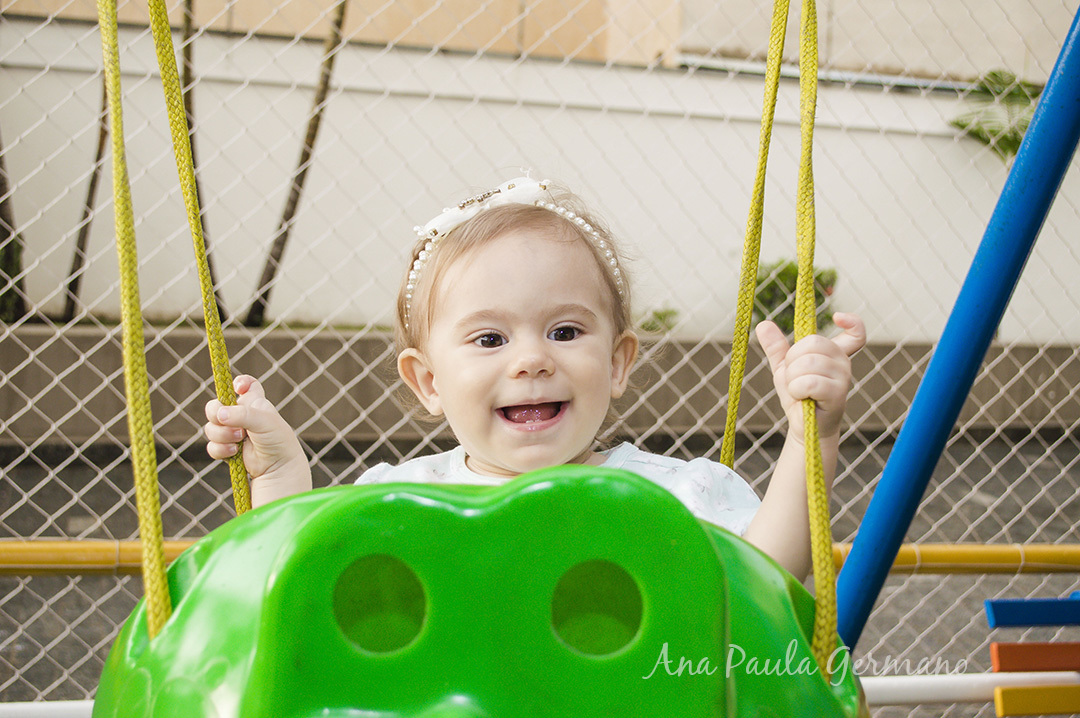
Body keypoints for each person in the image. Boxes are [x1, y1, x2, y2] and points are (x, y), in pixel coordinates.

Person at [204, 177, 865, 580]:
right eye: (490, 339)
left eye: (566, 332)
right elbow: (293, 584)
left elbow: (767, 579)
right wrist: (280, 477)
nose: (531, 360)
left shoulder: (679, 496)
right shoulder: (396, 501)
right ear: (427, 382)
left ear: (617, 362)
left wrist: (814, 440)